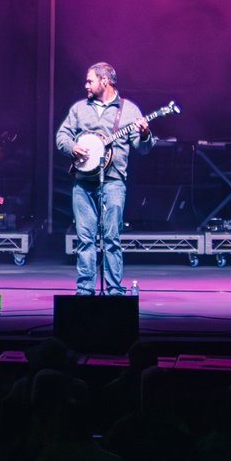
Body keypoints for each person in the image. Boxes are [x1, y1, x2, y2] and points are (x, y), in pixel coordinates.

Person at [55, 62, 153, 295]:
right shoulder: (79, 109)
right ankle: (85, 290)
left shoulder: (129, 110)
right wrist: (72, 147)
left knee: (111, 238)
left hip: (113, 181)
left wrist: (145, 135)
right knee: (85, 238)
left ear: (104, 81)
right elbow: (61, 136)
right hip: (83, 181)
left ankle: (114, 290)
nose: (86, 85)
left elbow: (143, 148)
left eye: (90, 81)